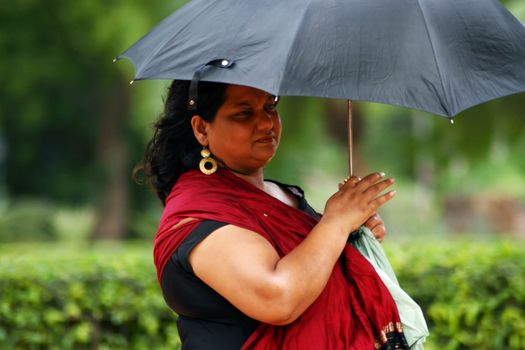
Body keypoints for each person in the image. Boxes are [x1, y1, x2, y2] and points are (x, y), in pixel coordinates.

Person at [136, 80, 409, 349]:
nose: (267, 123)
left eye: (270, 106)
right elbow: (278, 298)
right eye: (244, 113)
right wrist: (335, 224)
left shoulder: (283, 195)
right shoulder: (198, 212)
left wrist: (352, 238)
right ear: (201, 128)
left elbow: (315, 269)